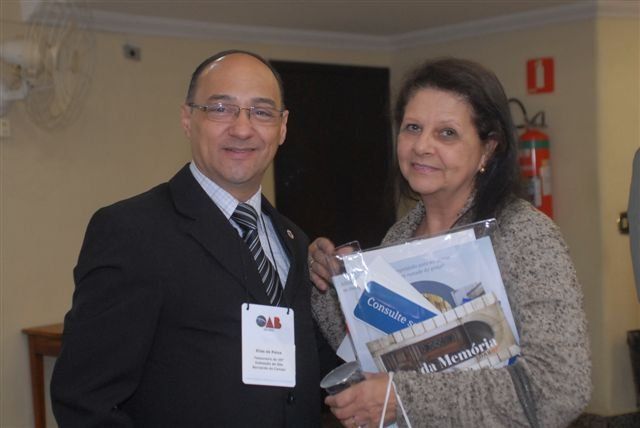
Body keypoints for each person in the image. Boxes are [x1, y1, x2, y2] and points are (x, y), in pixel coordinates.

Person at [309, 58, 591, 427]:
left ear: (488, 149)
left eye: (447, 133)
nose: (422, 146)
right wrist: (330, 285)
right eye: (413, 128)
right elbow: (374, 356)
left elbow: (560, 387)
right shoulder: (398, 238)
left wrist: (404, 398)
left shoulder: (524, 234)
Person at [51, 50, 323, 427]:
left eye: (261, 112)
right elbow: (84, 400)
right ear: (187, 119)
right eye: (221, 109)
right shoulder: (132, 231)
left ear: (282, 127)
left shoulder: (293, 239)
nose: (242, 129)